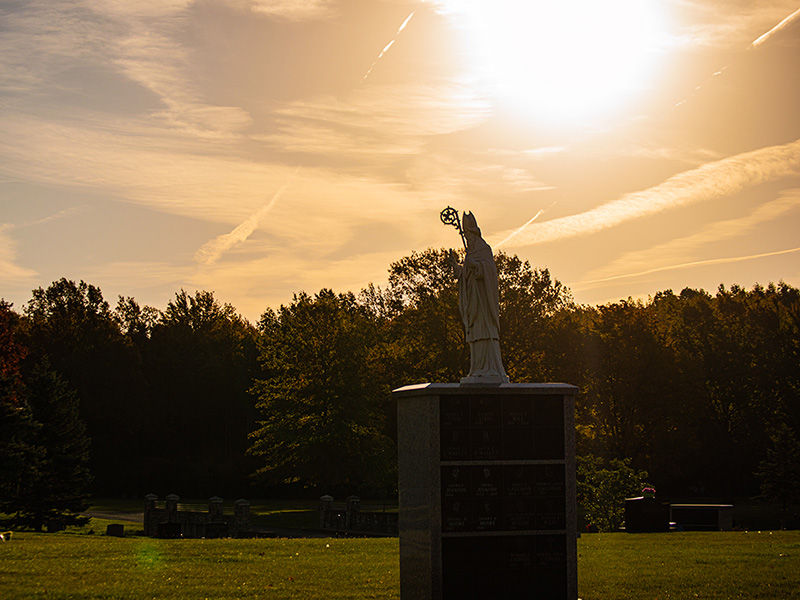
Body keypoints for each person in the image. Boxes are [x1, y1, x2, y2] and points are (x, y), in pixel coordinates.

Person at [449, 211, 509, 384]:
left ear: (475, 234)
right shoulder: (470, 253)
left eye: (468, 234)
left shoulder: (484, 250)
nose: (467, 238)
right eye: (465, 235)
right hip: (474, 303)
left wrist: (477, 266)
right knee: (475, 335)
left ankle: (490, 369)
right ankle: (477, 369)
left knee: (485, 333)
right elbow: (466, 275)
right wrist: (458, 267)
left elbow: (490, 272)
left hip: (484, 303)